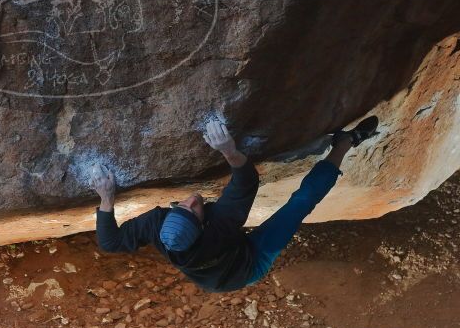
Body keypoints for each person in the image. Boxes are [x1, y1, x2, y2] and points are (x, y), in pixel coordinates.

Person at [91, 116, 378, 293]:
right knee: (301, 203)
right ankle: (344, 144)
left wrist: (106, 197)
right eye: (195, 209)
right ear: (204, 225)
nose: (191, 200)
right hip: (248, 266)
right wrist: (228, 151)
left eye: (182, 205)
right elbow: (246, 181)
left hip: (212, 272)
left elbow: (110, 242)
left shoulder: (157, 225)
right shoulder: (221, 227)